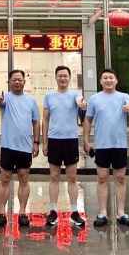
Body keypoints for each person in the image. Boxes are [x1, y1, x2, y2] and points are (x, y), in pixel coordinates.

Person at [82, 68, 129, 228]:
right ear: (100, 81)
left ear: (116, 80)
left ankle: (121, 213)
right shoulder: (94, 99)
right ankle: (102, 213)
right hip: (102, 145)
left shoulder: (124, 97)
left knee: (120, 178)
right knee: (102, 178)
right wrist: (86, 140)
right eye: (105, 78)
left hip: (119, 145)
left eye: (111, 77)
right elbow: (88, 120)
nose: (108, 80)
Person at [0, 70, 41, 228]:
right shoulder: (5, 98)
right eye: (14, 80)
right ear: (9, 82)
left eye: (20, 80)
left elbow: (36, 122)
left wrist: (36, 142)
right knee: (5, 179)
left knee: (24, 179)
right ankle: (1, 212)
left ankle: (22, 212)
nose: (17, 82)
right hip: (7, 146)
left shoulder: (31, 101)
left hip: (25, 147)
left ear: (24, 82)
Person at [42, 65, 86, 228]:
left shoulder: (76, 95)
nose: (62, 78)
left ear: (69, 78)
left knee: (72, 177)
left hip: (70, 140)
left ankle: (74, 211)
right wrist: (44, 142)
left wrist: (82, 105)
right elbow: (45, 119)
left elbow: (82, 108)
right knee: (54, 176)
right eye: (60, 76)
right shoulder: (49, 96)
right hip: (54, 140)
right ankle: (53, 211)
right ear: (56, 77)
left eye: (65, 76)